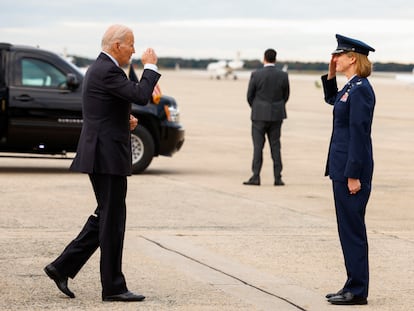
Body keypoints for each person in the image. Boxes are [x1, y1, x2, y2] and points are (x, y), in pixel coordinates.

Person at [44, 24, 161, 302]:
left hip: (103, 151)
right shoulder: (106, 70)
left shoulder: (100, 69)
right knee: (112, 219)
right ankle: (113, 287)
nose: (134, 49)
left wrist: (125, 120)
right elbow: (140, 94)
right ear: (116, 46)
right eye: (131, 44)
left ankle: (61, 267)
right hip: (105, 155)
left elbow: (104, 109)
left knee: (106, 216)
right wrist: (151, 67)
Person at [321, 34, 375, 305]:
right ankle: (352, 284)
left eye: (339, 55)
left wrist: (353, 173)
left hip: (350, 171)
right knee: (347, 228)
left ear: (352, 58)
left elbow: (358, 133)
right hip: (341, 168)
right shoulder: (351, 88)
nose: (335, 58)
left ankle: (358, 290)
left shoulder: (362, 89)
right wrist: (330, 73)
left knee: (352, 229)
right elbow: (334, 101)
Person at [243, 48, 290, 186]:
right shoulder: (283, 75)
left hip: (259, 115)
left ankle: (256, 176)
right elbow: (286, 95)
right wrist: (276, 106)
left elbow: (249, 96)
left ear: (264, 58)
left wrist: (257, 107)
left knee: (258, 147)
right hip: (276, 115)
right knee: (275, 146)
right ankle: (278, 178)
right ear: (275, 59)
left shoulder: (256, 74)